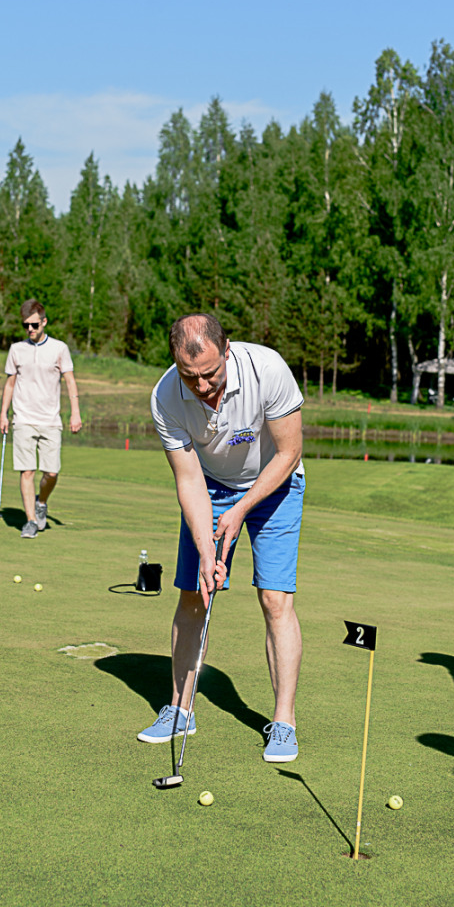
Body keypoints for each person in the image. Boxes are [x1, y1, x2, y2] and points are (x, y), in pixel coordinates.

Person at [138, 313, 305, 762]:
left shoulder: (266, 369)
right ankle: (180, 709)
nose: (202, 386)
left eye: (210, 373)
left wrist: (240, 510)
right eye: (190, 376)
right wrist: (207, 544)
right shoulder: (166, 395)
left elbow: (289, 453)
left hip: (276, 482)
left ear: (226, 349)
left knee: (274, 599)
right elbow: (188, 480)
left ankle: (284, 723)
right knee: (196, 594)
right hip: (208, 486)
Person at [0, 299, 82, 538]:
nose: (30, 330)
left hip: (50, 420)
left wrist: (75, 412)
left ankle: (42, 502)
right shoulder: (16, 350)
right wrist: (4, 414)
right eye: (26, 326)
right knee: (27, 471)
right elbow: (10, 384)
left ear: (44, 322)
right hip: (23, 418)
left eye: (34, 325)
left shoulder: (59, 348)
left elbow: (70, 381)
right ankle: (31, 521)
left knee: (52, 472)